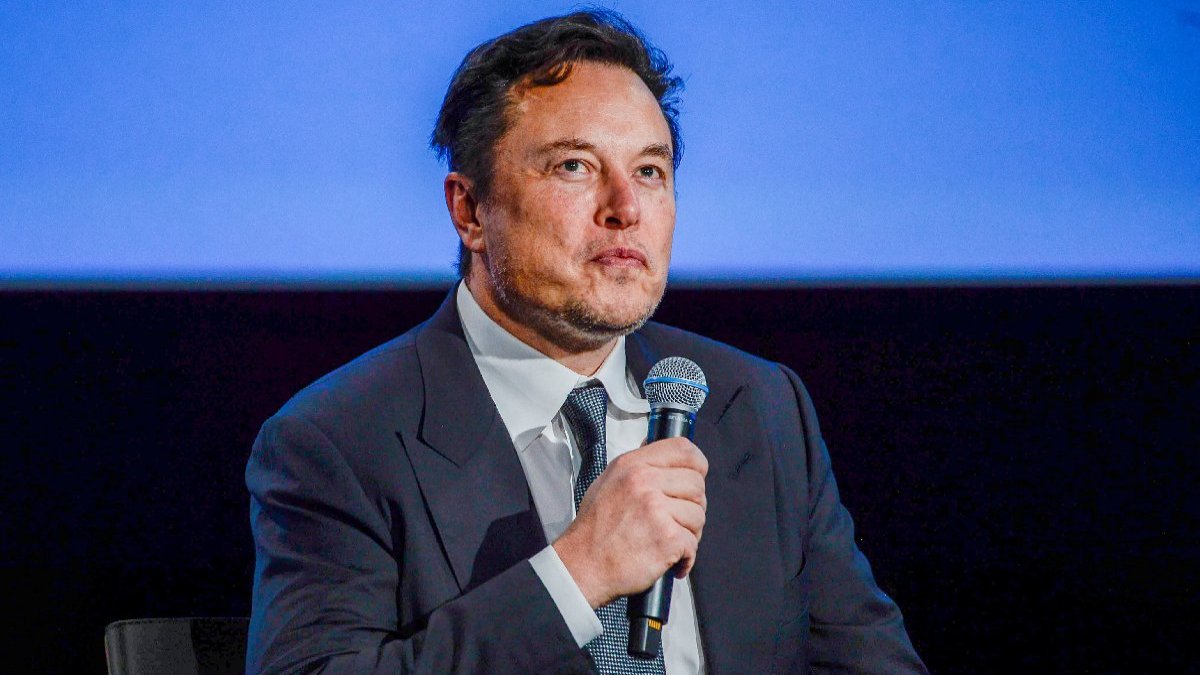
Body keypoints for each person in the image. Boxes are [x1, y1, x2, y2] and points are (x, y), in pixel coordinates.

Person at [246, 10, 926, 674]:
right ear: (471, 210)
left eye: (650, 172)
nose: (625, 208)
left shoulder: (760, 406)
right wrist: (578, 573)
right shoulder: (340, 440)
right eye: (575, 166)